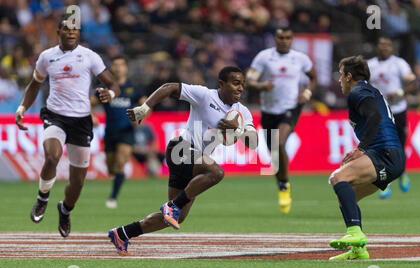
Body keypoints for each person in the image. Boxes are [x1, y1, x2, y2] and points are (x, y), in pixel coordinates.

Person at [107, 66, 258, 255]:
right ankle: (173, 206)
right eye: (236, 83)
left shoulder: (242, 111)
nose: (240, 88)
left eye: (242, 84)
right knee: (216, 173)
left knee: (175, 218)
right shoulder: (205, 95)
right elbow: (170, 87)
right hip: (180, 148)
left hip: (192, 160)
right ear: (221, 84)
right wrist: (145, 108)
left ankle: (122, 233)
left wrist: (239, 130)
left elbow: (253, 142)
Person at [15, 14, 120, 237]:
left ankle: (65, 210)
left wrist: (109, 94)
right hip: (55, 116)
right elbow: (35, 85)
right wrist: (22, 108)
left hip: (81, 121)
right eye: (67, 29)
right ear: (59, 32)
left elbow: (113, 84)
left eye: (75, 29)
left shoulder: (89, 56)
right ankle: (42, 198)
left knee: (77, 181)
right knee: (52, 156)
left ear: (79, 33)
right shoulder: (46, 57)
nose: (71, 32)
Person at [328, 55, 405, 260]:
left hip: (383, 154)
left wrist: (362, 148)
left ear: (349, 76)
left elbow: (374, 116)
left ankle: (354, 233)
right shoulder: (370, 90)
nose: (339, 80)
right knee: (346, 196)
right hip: (393, 157)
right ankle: (358, 250)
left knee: (337, 178)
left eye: (340, 74)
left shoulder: (358, 91)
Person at [246, 26, 317, 215]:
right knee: (274, 152)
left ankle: (285, 187)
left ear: (291, 39)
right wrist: (261, 85)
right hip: (269, 111)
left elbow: (313, 77)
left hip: (291, 107)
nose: (284, 41)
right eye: (280, 38)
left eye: (287, 37)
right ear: (275, 39)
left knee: (280, 142)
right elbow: (249, 79)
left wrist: (307, 93)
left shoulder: (300, 59)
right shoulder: (264, 57)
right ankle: (282, 184)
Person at [91, 56, 146, 209]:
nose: (118, 68)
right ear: (112, 69)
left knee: (121, 163)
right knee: (111, 168)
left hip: (126, 131)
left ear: (126, 68)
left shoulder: (133, 88)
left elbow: (146, 104)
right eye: (115, 65)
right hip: (110, 132)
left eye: (121, 65)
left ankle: (113, 198)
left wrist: (140, 116)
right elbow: (90, 103)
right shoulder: (105, 88)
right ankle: (116, 180)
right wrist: (92, 116)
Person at [367, 37, 416, 199]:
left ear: (392, 48)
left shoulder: (399, 63)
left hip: (398, 110)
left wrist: (400, 93)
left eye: (388, 45)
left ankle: (401, 172)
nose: (385, 48)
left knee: (399, 147)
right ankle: (386, 182)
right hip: (380, 112)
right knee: (383, 148)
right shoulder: (370, 65)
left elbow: (413, 83)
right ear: (377, 47)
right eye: (382, 45)